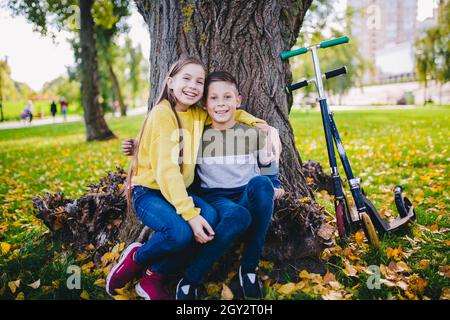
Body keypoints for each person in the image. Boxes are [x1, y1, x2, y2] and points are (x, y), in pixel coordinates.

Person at [106, 57, 268, 300]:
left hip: (178, 191)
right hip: (151, 192)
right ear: (170, 82)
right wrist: (190, 213)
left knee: (210, 218)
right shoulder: (162, 114)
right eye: (186, 78)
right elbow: (166, 171)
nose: (193, 85)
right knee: (181, 232)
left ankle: (153, 276)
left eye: (199, 81)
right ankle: (137, 258)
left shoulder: (196, 114)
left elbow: (230, 112)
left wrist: (261, 125)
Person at [175, 71, 284, 300]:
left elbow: (268, 166)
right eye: (213, 98)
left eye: (227, 97)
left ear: (238, 101)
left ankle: (249, 268)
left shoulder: (253, 133)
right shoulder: (197, 136)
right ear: (205, 104)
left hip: (248, 192)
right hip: (216, 198)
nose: (221, 104)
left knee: (262, 184)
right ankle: (190, 279)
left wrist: (274, 184)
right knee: (237, 216)